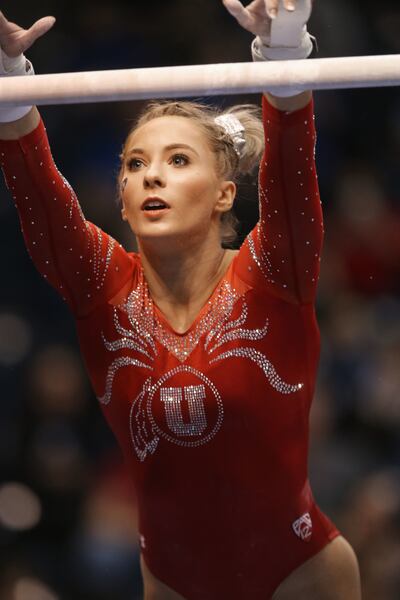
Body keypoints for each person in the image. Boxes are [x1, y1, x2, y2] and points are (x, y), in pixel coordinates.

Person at [0, 1, 361, 598]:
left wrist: (284, 49)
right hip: (174, 582)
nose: (152, 176)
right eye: (135, 164)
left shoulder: (273, 275)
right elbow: (38, 193)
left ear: (224, 194)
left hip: (300, 575)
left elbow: (292, 171)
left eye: (177, 160)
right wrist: (10, 81)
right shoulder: (104, 292)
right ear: (120, 197)